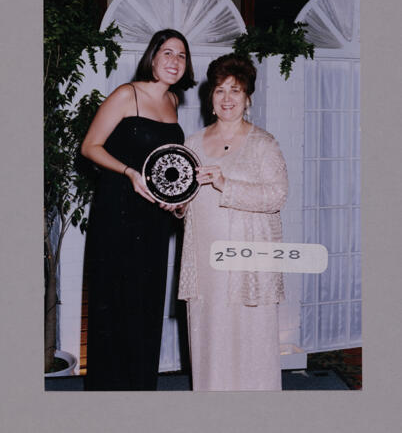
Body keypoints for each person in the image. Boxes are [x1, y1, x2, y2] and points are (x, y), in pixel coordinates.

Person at [81, 28, 196, 390]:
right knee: (114, 304)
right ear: (152, 56)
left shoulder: (174, 102)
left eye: (181, 55)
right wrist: (130, 172)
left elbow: (167, 164)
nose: (174, 61)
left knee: (145, 304)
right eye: (167, 53)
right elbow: (90, 147)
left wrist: (176, 200)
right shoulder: (126, 94)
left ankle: (140, 391)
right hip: (117, 211)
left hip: (153, 218)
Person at [177, 54, 288, 391]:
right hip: (205, 262)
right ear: (210, 97)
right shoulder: (192, 144)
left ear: (247, 98)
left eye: (235, 91)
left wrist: (226, 184)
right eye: (220, 90)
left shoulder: (264, 144)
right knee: (210, 339)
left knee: (252, 341)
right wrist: (178, 206)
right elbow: (185, 205)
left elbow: (277, 196)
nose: (227, 98)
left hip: (248, 262)